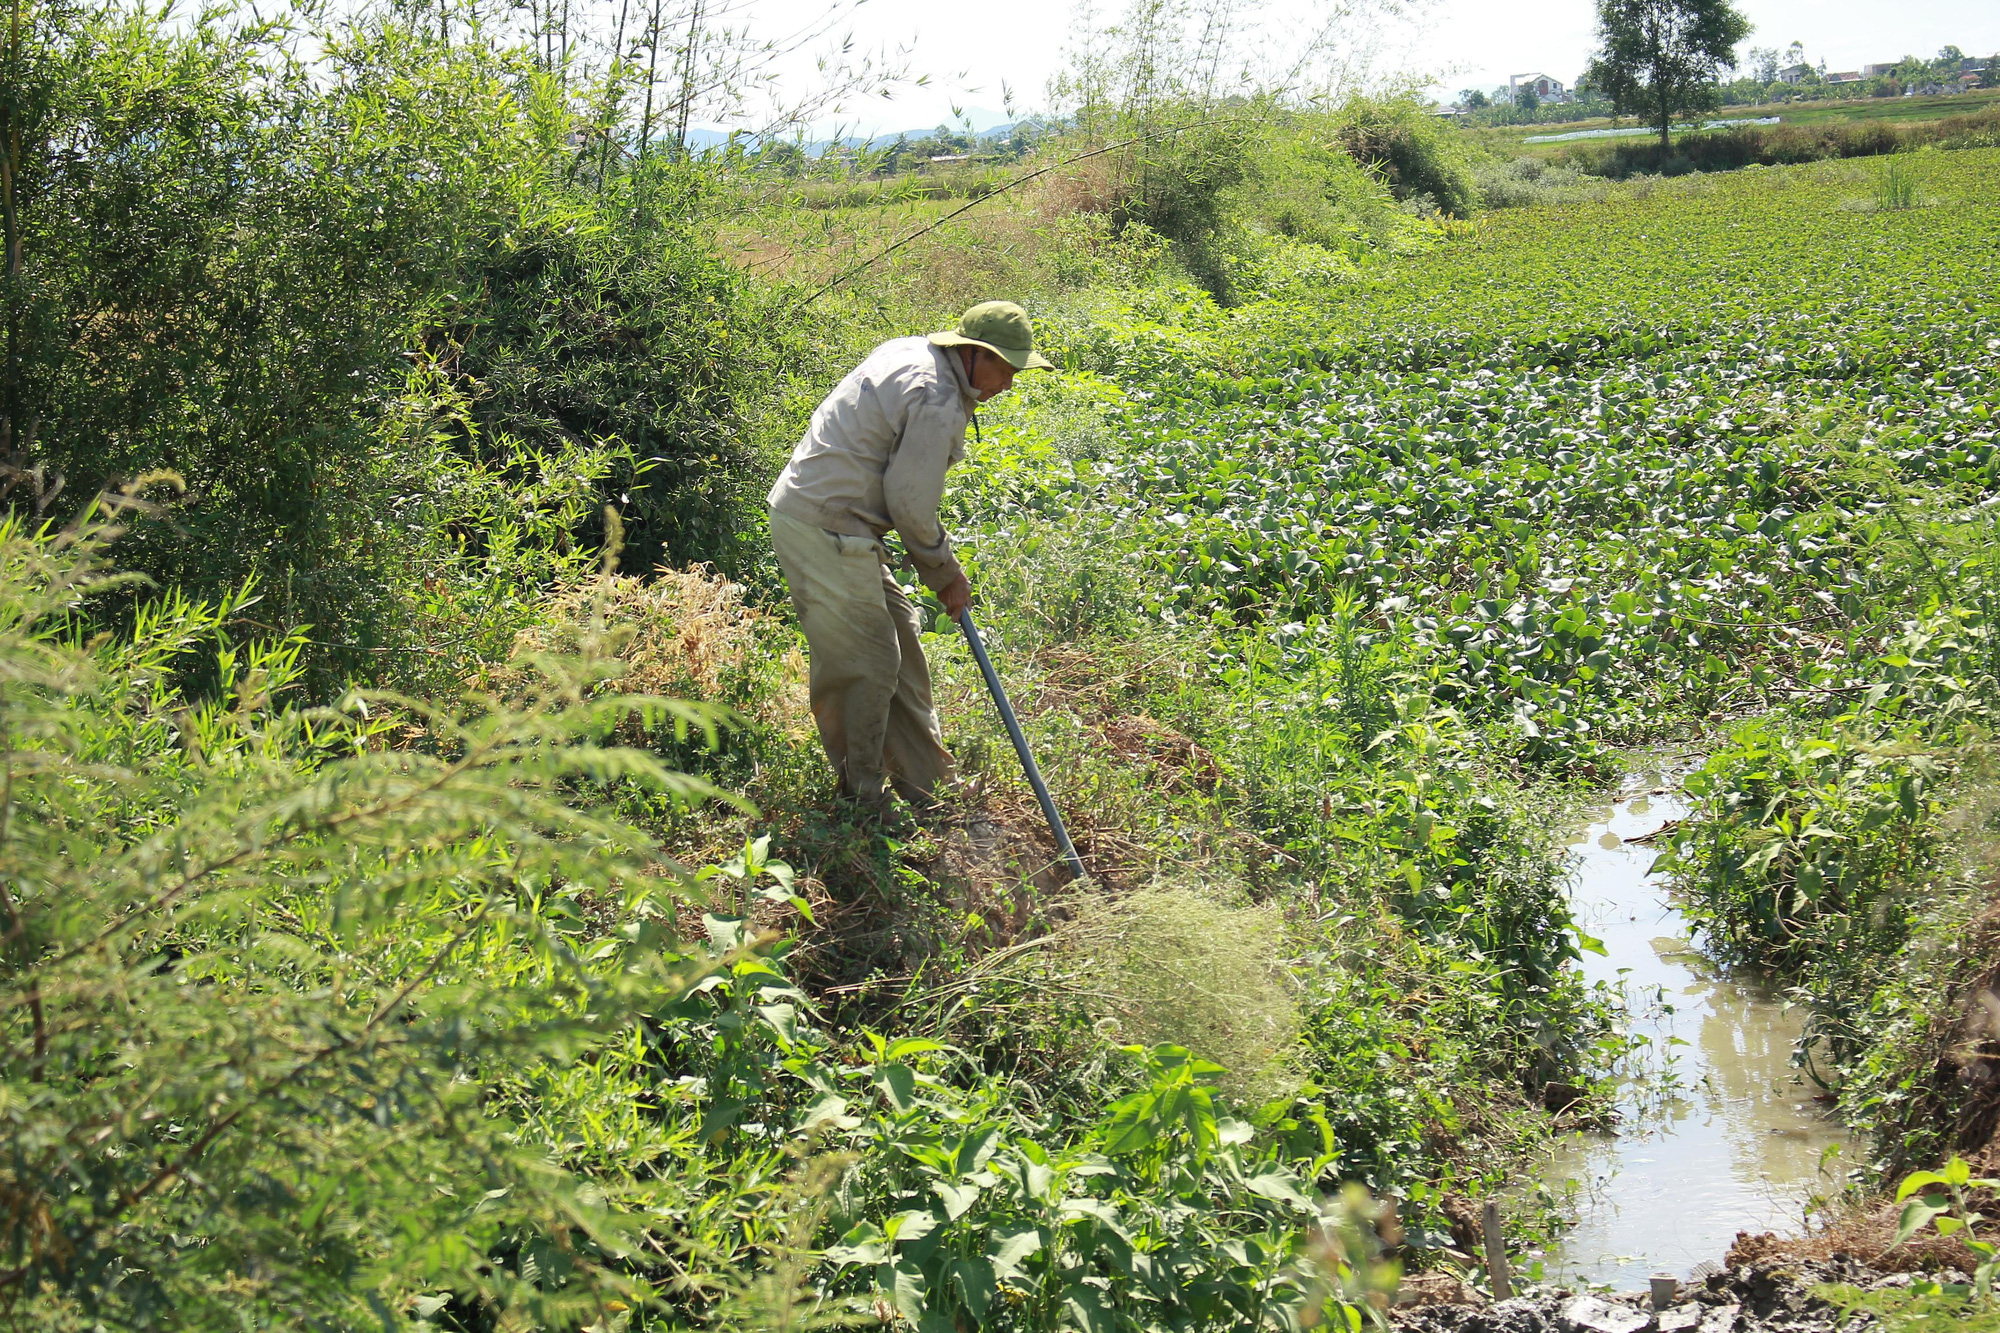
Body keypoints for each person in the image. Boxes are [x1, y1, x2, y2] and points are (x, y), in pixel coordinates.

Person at [767, 300, 1054, 812]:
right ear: (971, 353)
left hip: (838, 523)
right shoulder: (936, 396)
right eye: (1004, 368)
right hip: (825, 526)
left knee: (902, 647)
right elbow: (910, 505)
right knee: (870, 665)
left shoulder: (913, 351)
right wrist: (946, 573)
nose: (1007, 384)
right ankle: (862, 801)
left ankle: (929, 789)